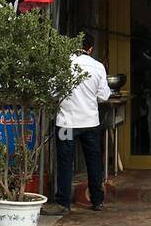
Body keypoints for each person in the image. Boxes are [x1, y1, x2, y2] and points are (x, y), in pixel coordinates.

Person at [45, 32, 111, 215]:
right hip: (90, 122)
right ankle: (97, 200)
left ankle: (63, 203)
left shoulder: (63, 64)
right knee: (93, 161)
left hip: (66, 123)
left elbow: (52, 92)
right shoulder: (98, 67)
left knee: (65, 162)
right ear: (91, 48)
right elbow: (104, 96)